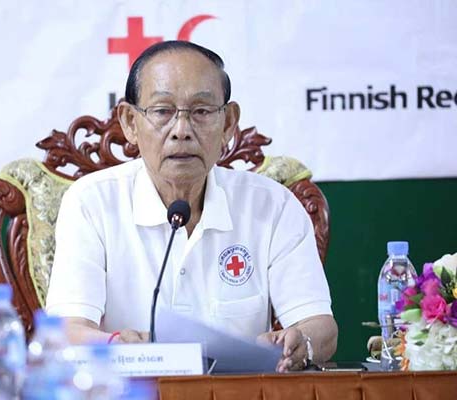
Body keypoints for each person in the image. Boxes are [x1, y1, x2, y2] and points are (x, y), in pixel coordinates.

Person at [46, 40, 337, 372]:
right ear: (129, 122)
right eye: (162, 111)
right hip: (131, 390)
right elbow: (66, 332)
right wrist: (115, 345)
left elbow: (321, 327)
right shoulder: (92, 202)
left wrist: (301, 342)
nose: (181, 131)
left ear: (228, 123)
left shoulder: (273, 206)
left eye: (201, 112)